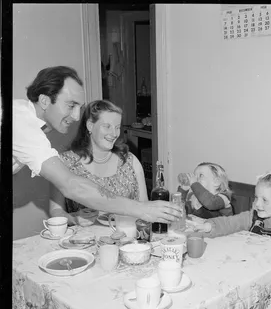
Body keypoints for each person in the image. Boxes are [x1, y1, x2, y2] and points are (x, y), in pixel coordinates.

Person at [13, 66, 181, 223]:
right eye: (71, 105)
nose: (77, 117)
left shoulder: (27, 121)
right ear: (44, 101)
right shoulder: (21, 122)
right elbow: (71, 185)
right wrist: (142, 210)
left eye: (79, 107)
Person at [49, 100, 148, 225]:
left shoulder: (130, 161)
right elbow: (56, 212)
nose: (114, 134)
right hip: (83, 241)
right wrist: (74, 218)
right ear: (90, 125)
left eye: (117, 127)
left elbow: (145, 207)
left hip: (125, 239)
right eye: (107, 126)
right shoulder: (64, 163)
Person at [191, 169, 271, 248]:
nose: (257, 204)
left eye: (264, 200)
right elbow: (229, 223)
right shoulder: (251, 218)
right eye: (256, 198)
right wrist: (210, 226)